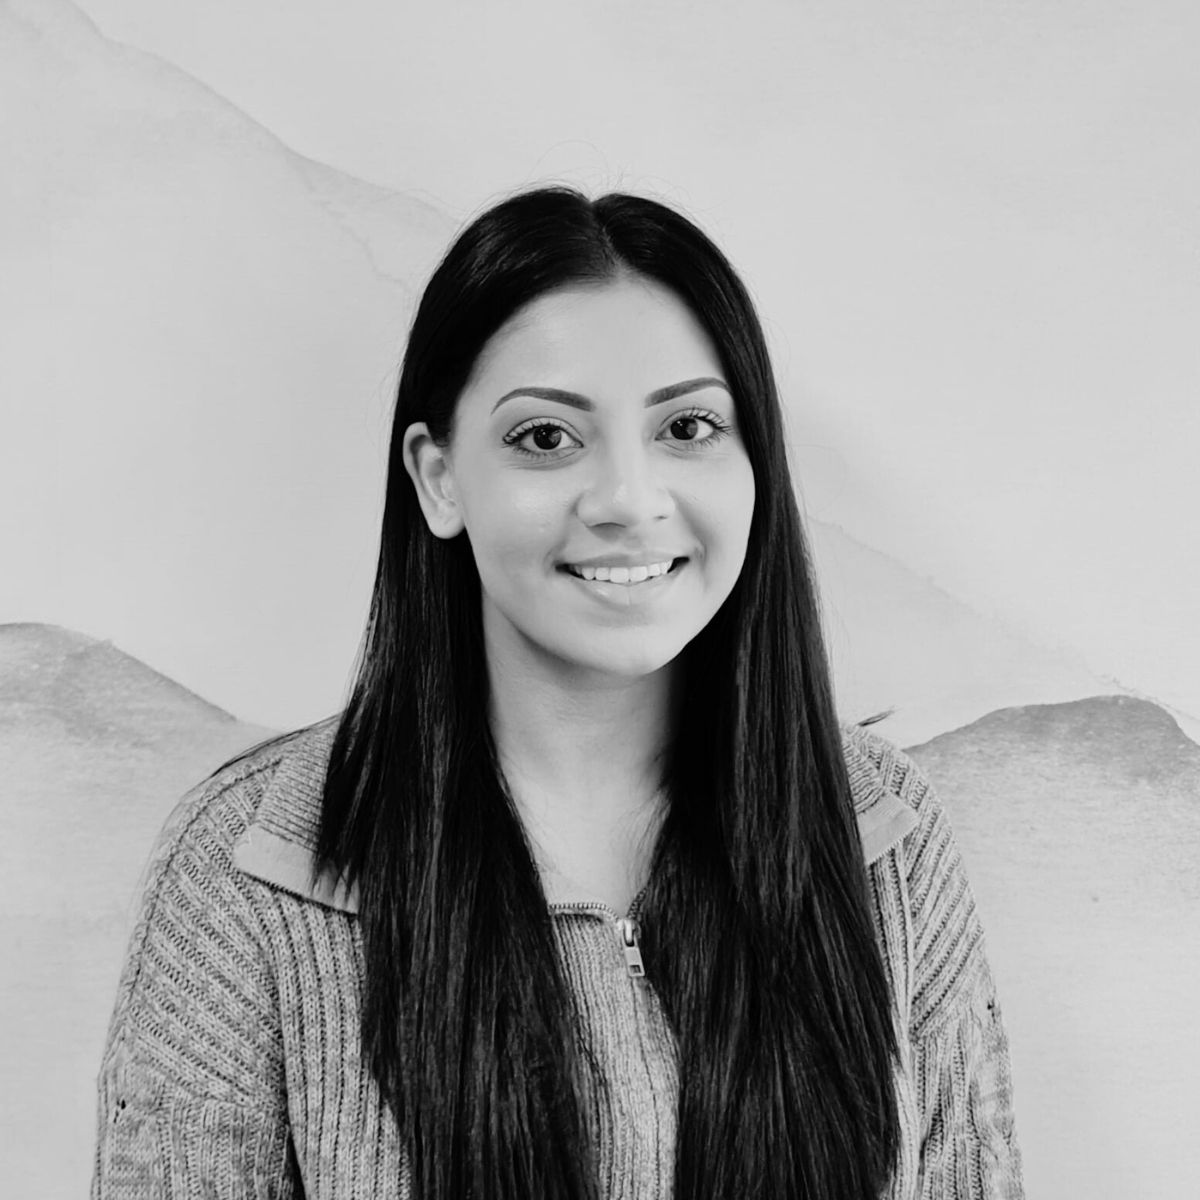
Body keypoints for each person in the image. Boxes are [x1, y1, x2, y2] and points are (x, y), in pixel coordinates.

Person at [91, 185, 1024, 1199]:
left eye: (689, 426)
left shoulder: (884, 838)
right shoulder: (249, 869)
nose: (628, 498)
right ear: (439, 479)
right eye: (546, 437)